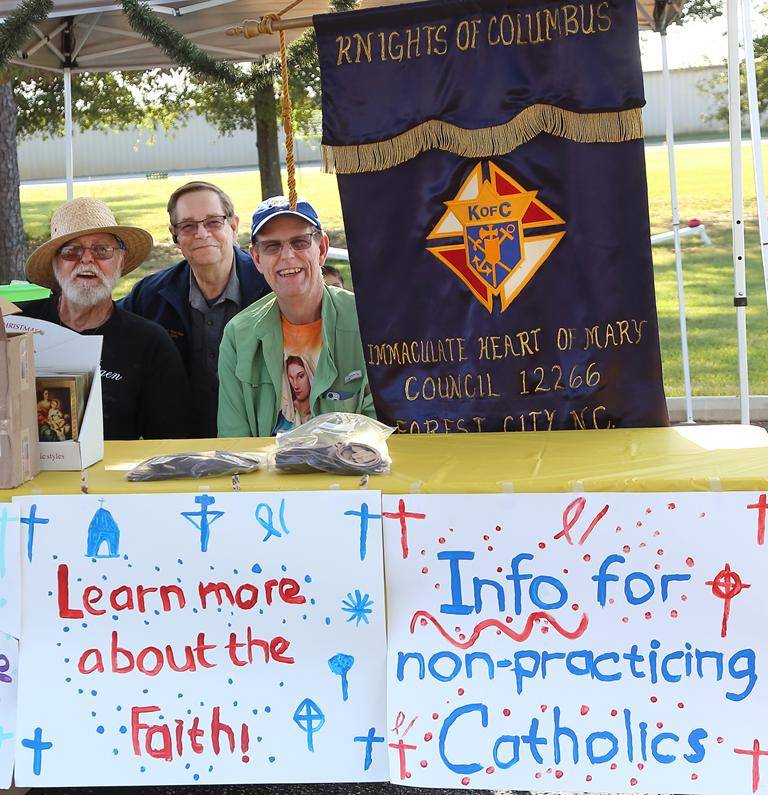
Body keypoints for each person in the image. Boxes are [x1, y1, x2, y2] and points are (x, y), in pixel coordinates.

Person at [20, 196, 190, 440]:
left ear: (120, 262)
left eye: (102, 250)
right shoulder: (18, 326)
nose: (87, 259)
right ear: (55, 265)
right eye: (71, 251)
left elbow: (169, 442)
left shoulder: (150, 343)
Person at [120, 181, 271, 438]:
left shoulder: (270, 286)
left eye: (213, 222)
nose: (201, 233)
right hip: (180, 445)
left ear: (233, 226)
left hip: (260, 441)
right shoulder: (149, 296)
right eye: (188, 226)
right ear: (174, 235)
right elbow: (107, 326)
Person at [218, 195, 375, 437]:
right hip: (267, 473)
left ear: (321, 249)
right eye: (272, 246)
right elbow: (234, 441)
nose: (288, 256)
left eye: (300, 242)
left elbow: (380, 430)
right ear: (257, 258)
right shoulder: (238, 335)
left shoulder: (366, 320)